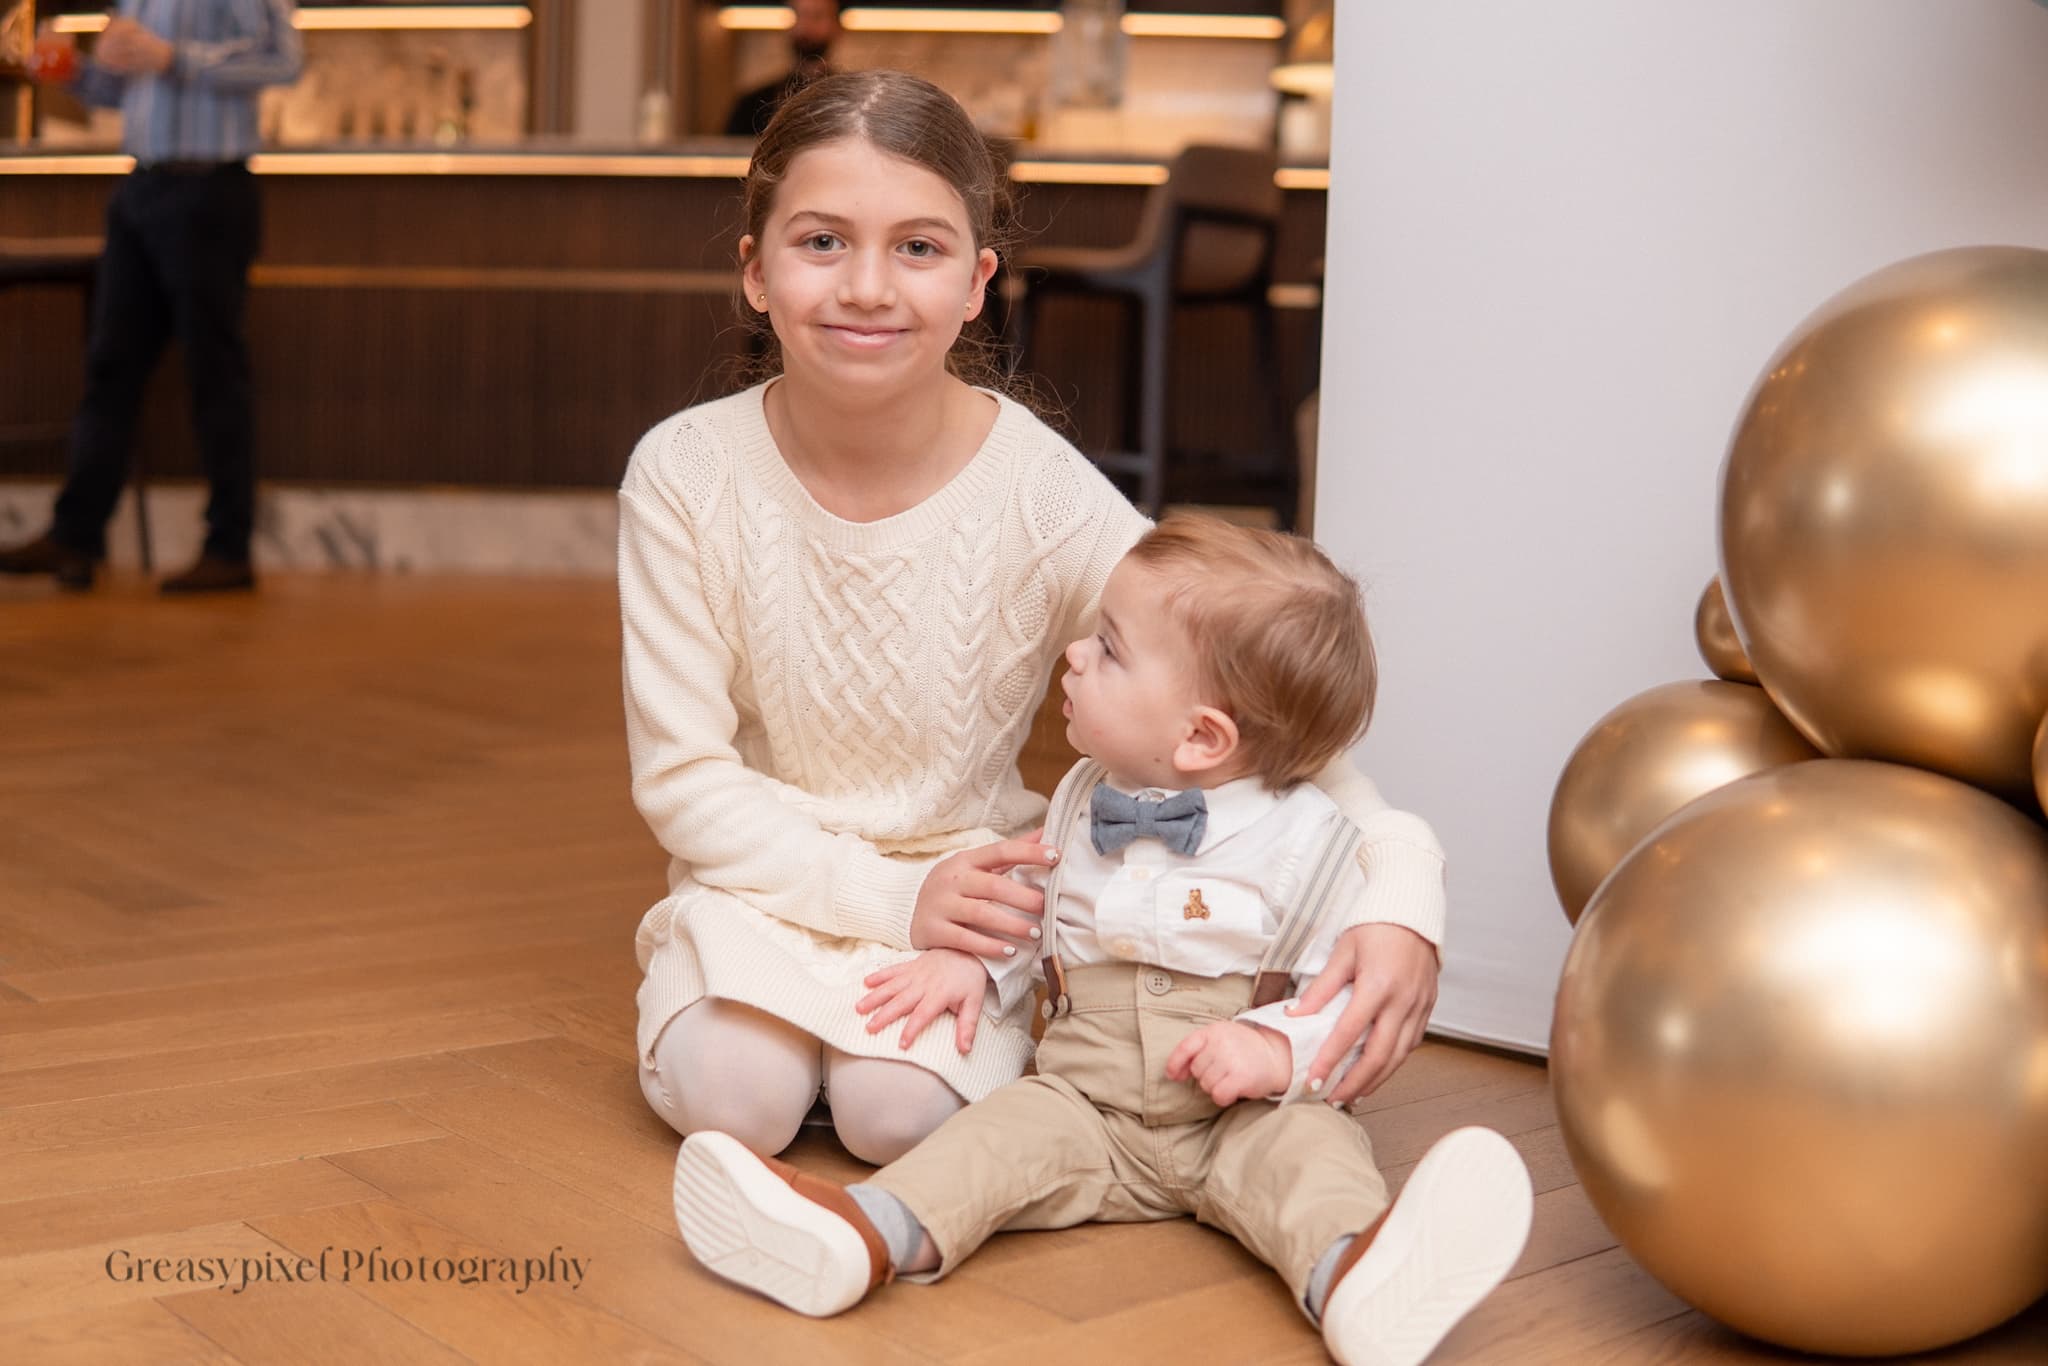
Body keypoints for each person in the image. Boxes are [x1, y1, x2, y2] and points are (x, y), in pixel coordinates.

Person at [621, 70, 1445, 1173]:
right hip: (763, 881)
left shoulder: (1042, 494)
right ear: (755, 271)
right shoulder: (681, 474)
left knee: (895, 1119)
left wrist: (1403, 892)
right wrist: (883, 894)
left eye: (918, 248)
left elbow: (1249, 698)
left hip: (973, 902)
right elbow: (683, 779)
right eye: (821, 241)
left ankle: (867, 1062)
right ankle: (765, 1031)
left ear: (976, 282)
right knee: (735, 1098)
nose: (867, 286)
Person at [669, 516, 1532, 1366]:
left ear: (1200, 736)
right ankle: (865, 1237)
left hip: (1247, 1113)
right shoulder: (1084, 796)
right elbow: (1038, 908)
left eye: (1110, 649)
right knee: (989, 1144)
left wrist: (1274, 1052)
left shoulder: (1308, 843)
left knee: (1310, 1166)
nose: (1075, 654)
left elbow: (1344, 998)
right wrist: (970, 962)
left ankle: (1355, 1281)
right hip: (1089, 1104)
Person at [0, 0, 301, 594]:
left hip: (210, 188)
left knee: (215, 371)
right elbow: (122, 92)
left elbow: (284, 61)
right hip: (141, 187)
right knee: (110, 366)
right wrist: (73, 72)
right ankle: (77, 534)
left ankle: (229, 547)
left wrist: (174, 57)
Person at [723, 0, 840, 137]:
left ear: (837, 28)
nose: (805, 26)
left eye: (817, 16)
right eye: (799, 15)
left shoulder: (847, 98)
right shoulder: (752, 104)